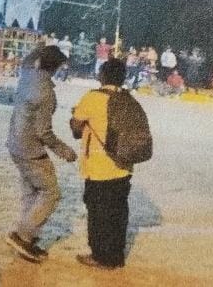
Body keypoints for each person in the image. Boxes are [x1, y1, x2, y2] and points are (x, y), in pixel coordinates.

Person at [69, 58, 151, 270]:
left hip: (98, 167)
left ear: (102, 75)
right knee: (118, 212)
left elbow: (76, 130)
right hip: (123, 165)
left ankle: (100, 256)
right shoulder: (128, 100)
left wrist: (75, 116)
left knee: (98, 213)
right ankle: (116, 256)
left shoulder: (92, 97)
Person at [5, 44, 77, 263]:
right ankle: (23, 236)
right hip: (31, 149)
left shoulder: (27, 76)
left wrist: (42, 49)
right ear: (55, 67)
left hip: (15, 143)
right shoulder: (45, 92)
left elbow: (29, 59)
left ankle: (27, 238)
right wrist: (64, 150)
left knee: (32, 192)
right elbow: (43, 132)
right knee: (50, 193)